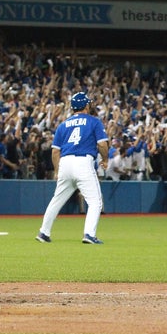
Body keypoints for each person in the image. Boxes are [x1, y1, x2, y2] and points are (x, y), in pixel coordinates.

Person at [36, 92, 109, 245]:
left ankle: (43, 232)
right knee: (95, 202)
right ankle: (89, 234)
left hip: (65, 163)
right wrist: (106, 159)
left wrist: (57, 170)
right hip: (83, 162)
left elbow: (55, 151)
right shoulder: (94, 121)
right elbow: (102, 144)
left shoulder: (63, 125)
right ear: (86, 105)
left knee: (57, 200)